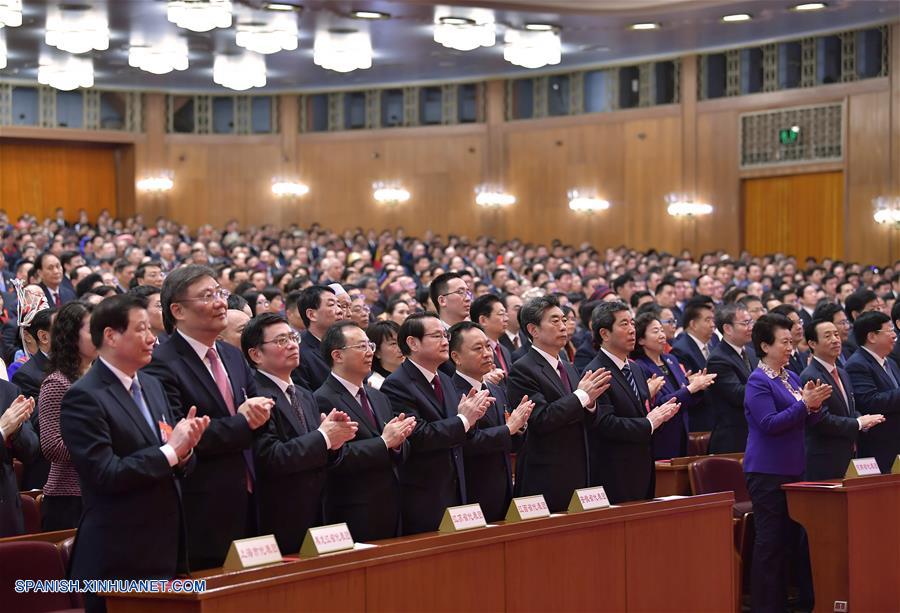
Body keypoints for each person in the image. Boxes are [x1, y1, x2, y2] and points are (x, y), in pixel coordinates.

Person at [61, 294, 210, 613]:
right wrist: (171, 451)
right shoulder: (84, 397)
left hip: (164, 546)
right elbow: (105, 473)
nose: (151, 337)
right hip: (117, 553)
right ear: (111, 336)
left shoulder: (153, 386)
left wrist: (184, 452)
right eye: (141, 329)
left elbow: (171, 453)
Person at [144, 265, 273, 570]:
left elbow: (258, 410)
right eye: (207, 296)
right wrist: (243, 422)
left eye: (220, 293)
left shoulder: (231, 354)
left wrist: (256, 414)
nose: (220, 302)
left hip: (252, 496)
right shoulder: (160, 363)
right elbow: (178, 435)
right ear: (178, 310)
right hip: (201, 504)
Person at [244, 314, 357, 553]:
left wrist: (334, 444)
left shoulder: (304, 394)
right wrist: (323, 437)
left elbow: (317, 453)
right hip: (278, 515)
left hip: (318, 511)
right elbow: (270, 457)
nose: (293, 345)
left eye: (293, 338)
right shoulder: (255, 396)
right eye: (281, 340)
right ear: (256, 354)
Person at [743, 313, 831, 612]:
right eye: (784, 342)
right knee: (770, 543)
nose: (791, 347)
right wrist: (804, 405)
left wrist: (814, 405)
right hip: (767, 471)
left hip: (794, 468)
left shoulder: (791, 376)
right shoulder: (757, 381)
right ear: (765, 346)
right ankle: (767, 606)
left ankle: (791, 600)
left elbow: (804, 417)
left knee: (793, 539)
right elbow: (769, 423)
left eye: (792, 342)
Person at [380, 312, 493, 535]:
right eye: (436, 336)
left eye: (445, 335)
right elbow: (418, 436)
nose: (444, 341)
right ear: (412, 343)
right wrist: (463, 420)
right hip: (423, 495)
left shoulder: (445, 380)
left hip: (456, 489)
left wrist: (471, 420)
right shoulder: (397, 385)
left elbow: (461, 434)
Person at [508, 296, 611, 512]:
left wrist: (590, 403)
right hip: (546, 474)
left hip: (579, 470)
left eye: (564, 320)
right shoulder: (523, 369)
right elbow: (541, 419)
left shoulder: (567, 365)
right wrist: (582, 396)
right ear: (533, 330)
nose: (563, 326)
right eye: (555, 321)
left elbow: (586, 417)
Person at [316, 321, 415, 541]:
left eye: (370, 345)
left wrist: (399, 442)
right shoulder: (322, 399)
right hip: (353, 508)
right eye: (361, 346)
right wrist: (384, 442)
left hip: (391, 503)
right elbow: (336, 458)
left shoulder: (378, 396)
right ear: (337, 355)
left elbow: (396, 447)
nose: (370, 351)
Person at [583, 301, 680, 503]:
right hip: (614, 473)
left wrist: (657, 417)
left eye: (632, 323)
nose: (632, 330)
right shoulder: (596, 372)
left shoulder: (635, 368)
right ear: (604, 334)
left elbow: (640, 413)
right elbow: (605, 424)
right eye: (623, 324)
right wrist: (649, 423)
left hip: (642, 467)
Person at [449, 321, 532, 522]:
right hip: (472, 493)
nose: (487, 353)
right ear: (456, 357)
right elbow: (466, 443)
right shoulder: (452, 392)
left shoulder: (496, 389)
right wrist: (508, 428)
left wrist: (519, 427)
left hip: (503, 490)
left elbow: (510, 441)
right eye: (478, 349)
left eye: (487, 346)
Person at [801, 319, 884, 480]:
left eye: (836, 334)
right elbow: (821, 420)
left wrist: (861, 418)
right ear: (812, 343)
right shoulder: (810, 376)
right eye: (827, 336)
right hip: (824, 458)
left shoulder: (842, 372)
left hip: (848, 453)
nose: (835, 340)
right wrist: (858, 423)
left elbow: (849, 410)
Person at [39, 301, 97, 530]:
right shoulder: (57, 383)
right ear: (71, 336)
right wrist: (99, 450)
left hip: (101, 487)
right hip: (69, 497)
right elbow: (52, 445)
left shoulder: (102, 378)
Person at [632, 312, 716, 459]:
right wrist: (691, 388)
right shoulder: (640, 367)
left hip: (682, 429)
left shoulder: (671, 359)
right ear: (641, 340)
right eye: (655, 331)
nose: (661, 334)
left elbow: (686, 397)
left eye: (661, 330)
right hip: (661, 434)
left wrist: (697, 387)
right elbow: (659, 403)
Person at [844, 311, 900, 473]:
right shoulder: (858, 364)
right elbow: (870, 401)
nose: (894, 336)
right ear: (872, 337)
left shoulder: (890, 362)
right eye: (889, 331)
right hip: (879, 446)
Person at [707, 304, 758, 453]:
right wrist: (770, 384)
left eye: (751, 322)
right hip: (733, 438)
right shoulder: (718, 359)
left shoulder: (752, 352)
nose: (750, 327)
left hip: (754, 433)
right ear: (728, 329)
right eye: (745, 323)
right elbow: (739, 394)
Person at [670, 298, 716, 430]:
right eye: (707, 320)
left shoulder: (712, 344)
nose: (713, 324)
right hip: (698, 416)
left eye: (713, 320)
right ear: (693, 324)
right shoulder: (681, 349)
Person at [0, 387, 37, 536]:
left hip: (6, 508)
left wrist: (16, 430)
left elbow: (31, 451)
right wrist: (2, 431)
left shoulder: (8, 391)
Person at [295, 285, 343, 392]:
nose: (340, 310)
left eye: (339, 305)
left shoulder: (346, 344)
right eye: (331, 305)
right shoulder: (298, 352)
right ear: (312, 314)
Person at [366, 320, 404, 390]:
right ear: (377, 352)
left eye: (401, 341)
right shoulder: (376, 384)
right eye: (393, 343)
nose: (401, 348)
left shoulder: (411, 375)